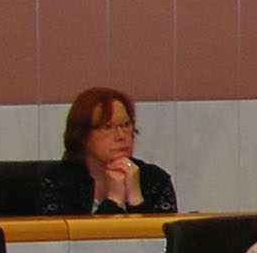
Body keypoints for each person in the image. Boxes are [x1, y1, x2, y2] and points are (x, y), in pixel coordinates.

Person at [57, 87, 176, 216]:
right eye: (107, 127)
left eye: (126, 125)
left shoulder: (155, 179)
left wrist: (135, 198)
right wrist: (113, 200)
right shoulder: (58, 182)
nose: (121, 136)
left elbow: (163, 228)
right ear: (83, 136)